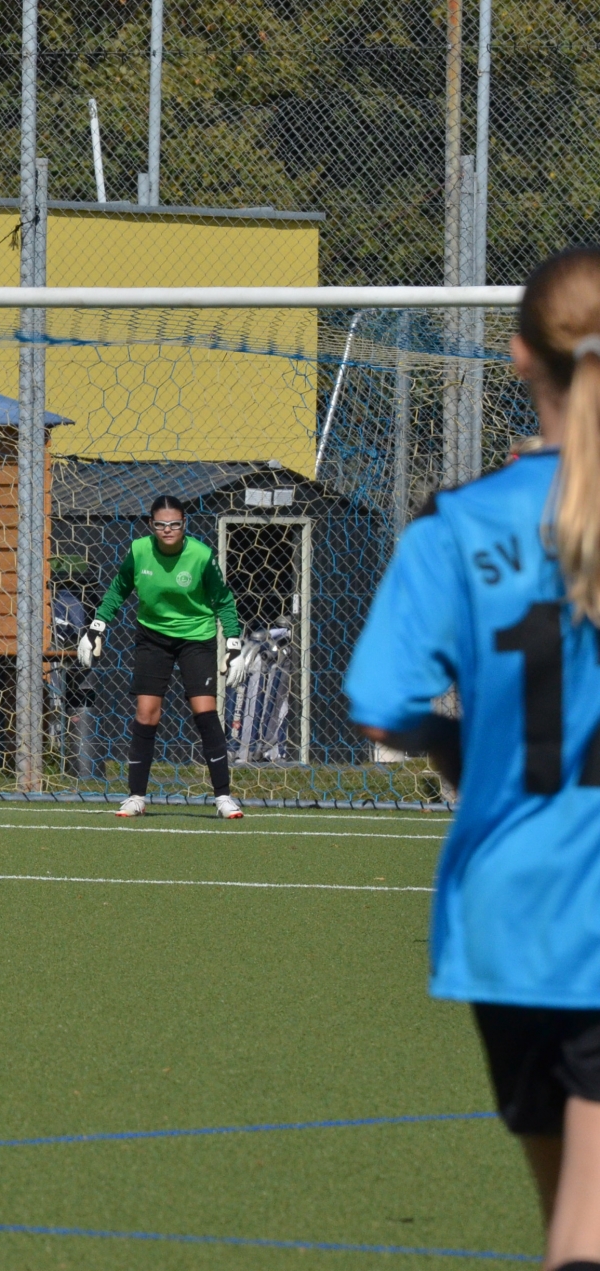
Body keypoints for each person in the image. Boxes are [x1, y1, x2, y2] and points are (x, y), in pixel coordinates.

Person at [347, 246, 600, 1270]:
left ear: (518, 356)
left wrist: (461, 749)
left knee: (566, 1215)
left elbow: (381, 703)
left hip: (506, 912)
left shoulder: (458, 524)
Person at [79, 494, 248, 818]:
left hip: (196, 637)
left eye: (174, 524)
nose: (168, 530)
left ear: (184, 524)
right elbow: (118, 589)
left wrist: (233, 645)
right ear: (151, 525)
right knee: (146, 713)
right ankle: (136, 797)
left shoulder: (201, 555)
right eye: (160, 525)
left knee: (205, 711)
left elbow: (224, 600)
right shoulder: (139, 551)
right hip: (152, 637)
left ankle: (224, 798)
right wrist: (96, 627)